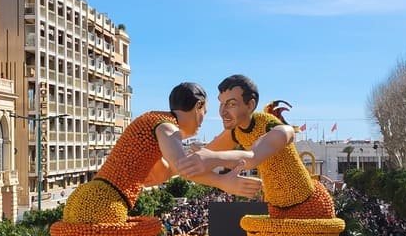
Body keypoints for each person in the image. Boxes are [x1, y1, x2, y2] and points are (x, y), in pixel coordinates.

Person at [62, 82, 262, 224]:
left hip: (88, 198)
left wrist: (200, 159)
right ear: (198, 106)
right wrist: (223, 181)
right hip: (105, 203)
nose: (202, 120)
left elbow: (162, 173)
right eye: (205, 112)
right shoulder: (167, 127)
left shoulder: (152, 121)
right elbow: (182, 167)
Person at [177, 75, 335, 219]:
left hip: (310, 206)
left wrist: (211, 158)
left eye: (231, 104)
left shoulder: (275, 129)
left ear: (250, 105)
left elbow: (252, 157)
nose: (223, 112)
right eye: (221, 104)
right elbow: (191, 165)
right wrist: (221, 181)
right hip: (276, 210)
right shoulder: (235, 132)